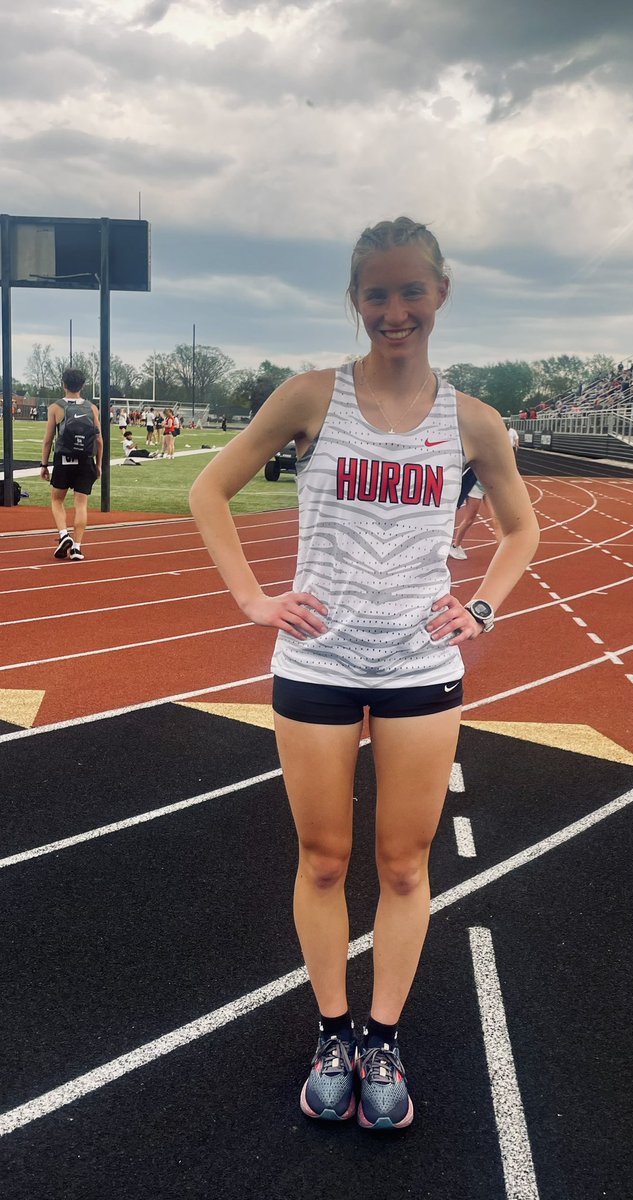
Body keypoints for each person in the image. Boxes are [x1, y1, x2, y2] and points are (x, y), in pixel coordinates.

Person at [189, 216, 539, 1130]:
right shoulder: (310, 397)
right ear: (355, 302)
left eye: (410, 291)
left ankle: (383, 1036)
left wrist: (481, 610)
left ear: (439, 295)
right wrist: (252, 599)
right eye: (376, 294)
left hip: (421, 664)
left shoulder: (473, 420)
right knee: (321, 859)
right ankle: (332, 1029)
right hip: (315, 660)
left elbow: (520, 528)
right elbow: (208, 488)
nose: (394, 310)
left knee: (401, 863)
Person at [39, 368, 103, 561]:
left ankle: (64, 535)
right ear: (83, 385)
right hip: (86, 460)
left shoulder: (55, 408)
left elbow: (48, 440)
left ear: (63, 384)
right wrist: (98, 464)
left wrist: (44, 465)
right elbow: (99, 440)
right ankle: (77, 547)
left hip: (64, 458)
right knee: (81, 504)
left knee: (57, 500)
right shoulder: (92, 408)